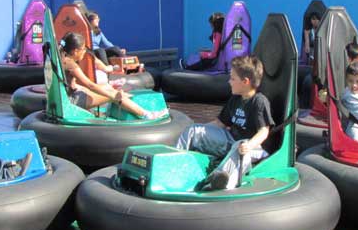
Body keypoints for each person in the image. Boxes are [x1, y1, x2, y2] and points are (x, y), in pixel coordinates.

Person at [176, 55, 274, 190]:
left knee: (239, 146)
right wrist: (200, 131)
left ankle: (218, 179)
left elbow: (264, 131)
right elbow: (219, 123)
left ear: (245, 81)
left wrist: (249, 145)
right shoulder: (235, 99)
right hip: (231, 140)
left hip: (252, 148)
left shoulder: (259, 101)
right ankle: (175, 164)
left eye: (233, 79)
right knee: (193, 130)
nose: (229, 82)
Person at [59, 32, 165, 119]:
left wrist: (102, 88)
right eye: (83, 49)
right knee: (115, 94)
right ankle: (146, 114)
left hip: (71, 96)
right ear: (75, 51)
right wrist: (112, 96)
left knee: (108, 87)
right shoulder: (71, 64)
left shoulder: (63, 59)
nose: (85, 51)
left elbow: (71, 85)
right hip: (73, 101)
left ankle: (127, 107)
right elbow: (90, 85)